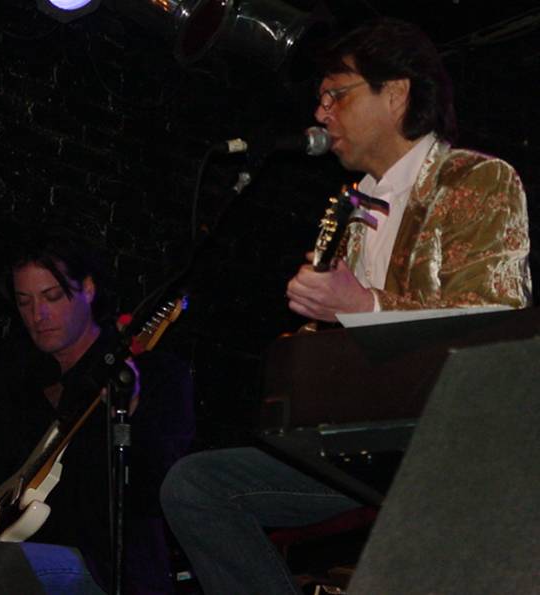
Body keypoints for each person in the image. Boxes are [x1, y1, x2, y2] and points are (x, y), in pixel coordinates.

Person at [159, 17, 532, 595]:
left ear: (397, 92)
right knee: (195, 486)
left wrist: (363, 304)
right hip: (366, 443)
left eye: (337, 94)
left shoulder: (476, 182)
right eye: (319, 100)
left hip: (450, 443)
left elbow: (495, 331)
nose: (322, 114)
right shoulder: (354, 211)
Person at [0, 228, 195, 595]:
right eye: (24, 301)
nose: (38, 314)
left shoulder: (151, 375)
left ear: (89, 289)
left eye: (51, 296)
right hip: (19, 558)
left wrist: (129, 416)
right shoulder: (22, 387)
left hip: (104, 568)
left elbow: (157, 488)